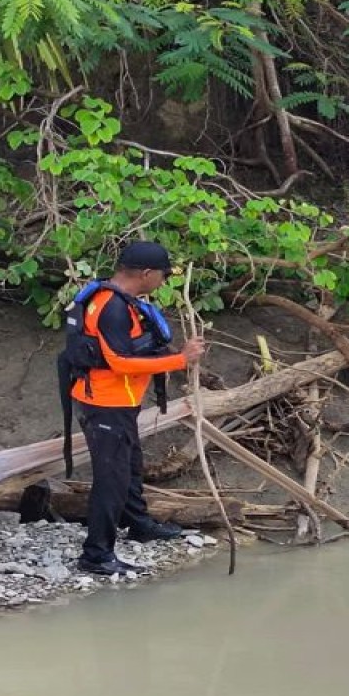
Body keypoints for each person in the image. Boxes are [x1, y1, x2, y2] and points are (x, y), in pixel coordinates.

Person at [61, 241, 206, 576]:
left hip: (118, 402)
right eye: (162, 275)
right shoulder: (111, 307)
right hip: (104, 404)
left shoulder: (118, 300)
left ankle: (139, 524)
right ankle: (96, 554)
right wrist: (180, 360)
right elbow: (120, 362)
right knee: (111, 479)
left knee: (130, 466)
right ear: (146, 273)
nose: (163, 281)